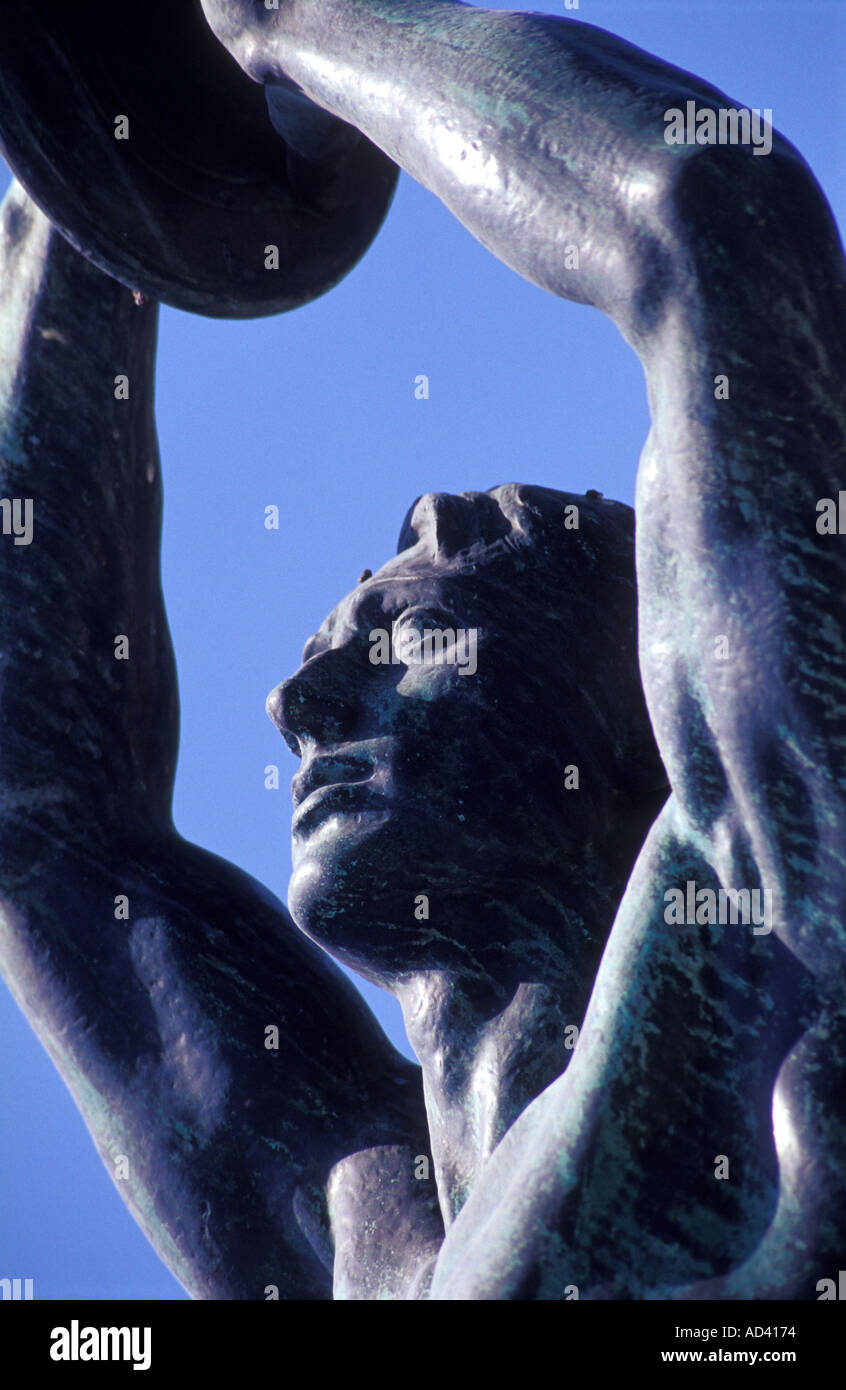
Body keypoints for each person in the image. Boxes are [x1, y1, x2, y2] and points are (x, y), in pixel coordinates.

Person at [1, 2, 845, 1298]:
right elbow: (39, 809)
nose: (298, 698)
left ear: (639, 699)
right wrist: (111, 184)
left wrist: (286, 25)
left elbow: (714, 218)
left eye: (404, 640)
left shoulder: (772, 962)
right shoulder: (372, 1247)